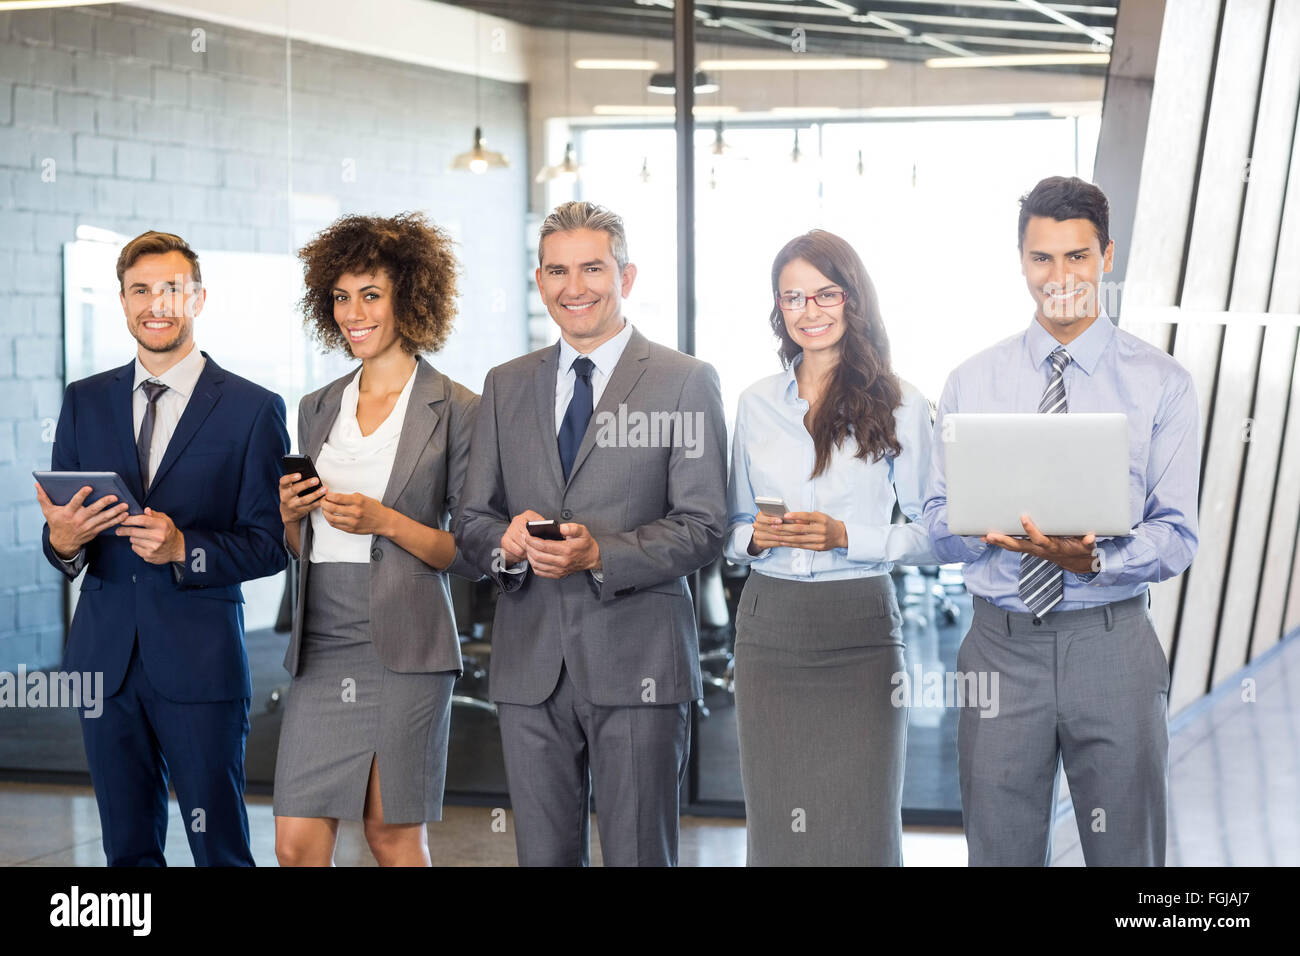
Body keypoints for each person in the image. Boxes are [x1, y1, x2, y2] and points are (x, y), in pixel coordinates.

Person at [921, 176, 1200, 866]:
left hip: (1111, 646)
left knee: (1125, 852)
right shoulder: (969, 381)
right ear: (1021, 261)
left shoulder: (1162, 383)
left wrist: (1096, 560)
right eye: (1042, 258)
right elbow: (934, 520)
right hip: (999, 647)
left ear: (1107, 256)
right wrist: (978, 527)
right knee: (1001, 852)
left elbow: (1178, 532)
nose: (1060, 276)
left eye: (1077, 256)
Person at [455, 200, 727, 866]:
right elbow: (469, 519)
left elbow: (705, 525)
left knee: (639, 853)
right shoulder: (505, 384)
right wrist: (506, 544)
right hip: (530, 668)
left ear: (625, 277)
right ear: (540, 280)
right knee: (543, 857)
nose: (573, 287)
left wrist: (602, 552)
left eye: (591, 269)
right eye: (556, 271)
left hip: (639, 662)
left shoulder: (684, 381)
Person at [36, 231, 289, 866]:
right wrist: (61, 543)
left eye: (171, 289)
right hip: (106, 662)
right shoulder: (83, 401)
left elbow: (270, 545)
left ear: (197, 298)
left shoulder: (252, 410)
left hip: (199, 664)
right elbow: (67, 537)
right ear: (122, 302)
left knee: (220, 847)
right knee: (125, 849)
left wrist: (184, 548)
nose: (157, 304)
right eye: (141, 290)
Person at [273, 212, 481, 867]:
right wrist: (289, 516)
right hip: (323, 641)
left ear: (410, 299)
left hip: (407, 646)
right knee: (296, 844)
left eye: (371, 294)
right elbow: (298, 548)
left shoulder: (459, 408)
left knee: (391, 835)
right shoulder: (315, 406)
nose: (352, 312)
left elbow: (473, 553)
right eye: (340, 296)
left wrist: (384, 521)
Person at [723, 230, 934, 865]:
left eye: (825, 294)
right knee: (777, 830)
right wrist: (752, 537)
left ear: (853, 300)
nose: (809, 312)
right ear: (778, 309)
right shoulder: (755, 403)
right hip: (770, 626)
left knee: (862, 829)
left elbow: (938, 534)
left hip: (859, 626)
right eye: (793, 298)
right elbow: (730, 528)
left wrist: (851, 538)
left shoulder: (902, 403)